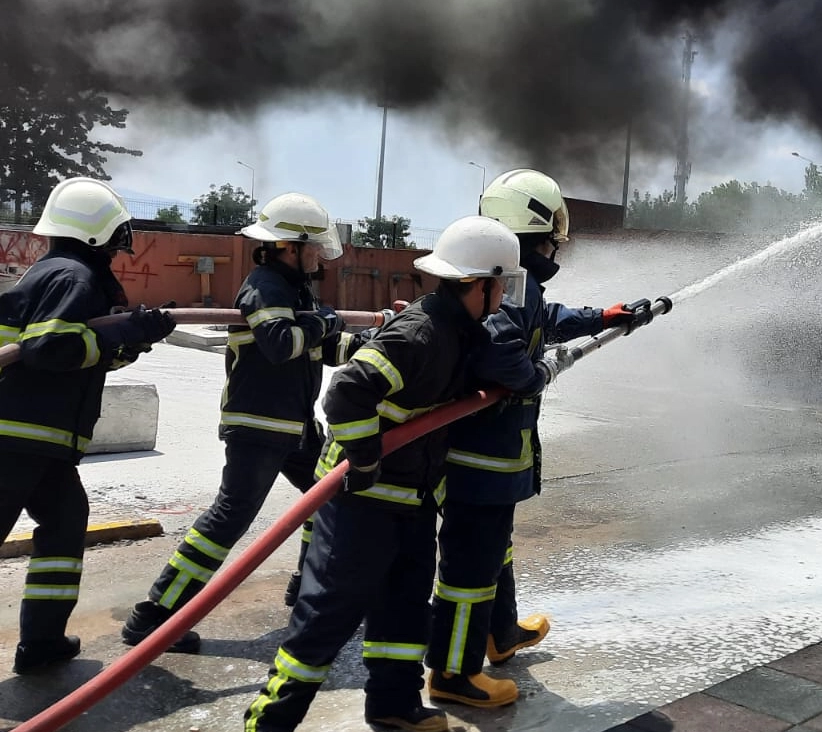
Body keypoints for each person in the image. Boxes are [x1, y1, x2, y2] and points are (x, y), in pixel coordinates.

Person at [243, 215, 526, 732]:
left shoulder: (460, 330)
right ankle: (267, 722)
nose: (504, 294)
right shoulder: (424, 334)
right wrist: (367, 460)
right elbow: (347, 391)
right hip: (362, 496)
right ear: (478, 283)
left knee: (403, 605)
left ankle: (394, 706)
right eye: (501, 283)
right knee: (328, 615)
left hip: (410, 495)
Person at [427, 170, 638, 707]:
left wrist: (603, 317)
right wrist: (540, 372)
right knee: (468, 570)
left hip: (498, 459)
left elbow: (551, 318)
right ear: (528, 236)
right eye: (549, 238)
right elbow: (508, 360)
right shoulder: (499, 295)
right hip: (477, 462)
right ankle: (452, 674)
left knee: (496, 552)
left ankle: (500, 635)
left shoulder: (519, 287)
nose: (553, 248)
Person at [123, 192, 366, 653]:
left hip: (293, 424)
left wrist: (370, 345)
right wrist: (326, 322)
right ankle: (156, 616)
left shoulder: (294, 289)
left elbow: (318, 347)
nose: (318, 256)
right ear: (289, 247)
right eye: (312, 247)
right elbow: (281, 342)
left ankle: (308, 588)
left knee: (328, 497)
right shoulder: (264, 286)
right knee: (230, 517)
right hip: (259, 425)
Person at [0, 178, 176, 674]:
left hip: (42, 441)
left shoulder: (56, 272)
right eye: (118, 240)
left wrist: (134, 338)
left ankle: (42, 642)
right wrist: (126, 331)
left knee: (64, 524)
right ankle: (41, 641)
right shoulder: (74, 277)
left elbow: (82, 354)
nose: (120, 254)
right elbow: (49, 349)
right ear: (100, 234)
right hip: (17, 437)